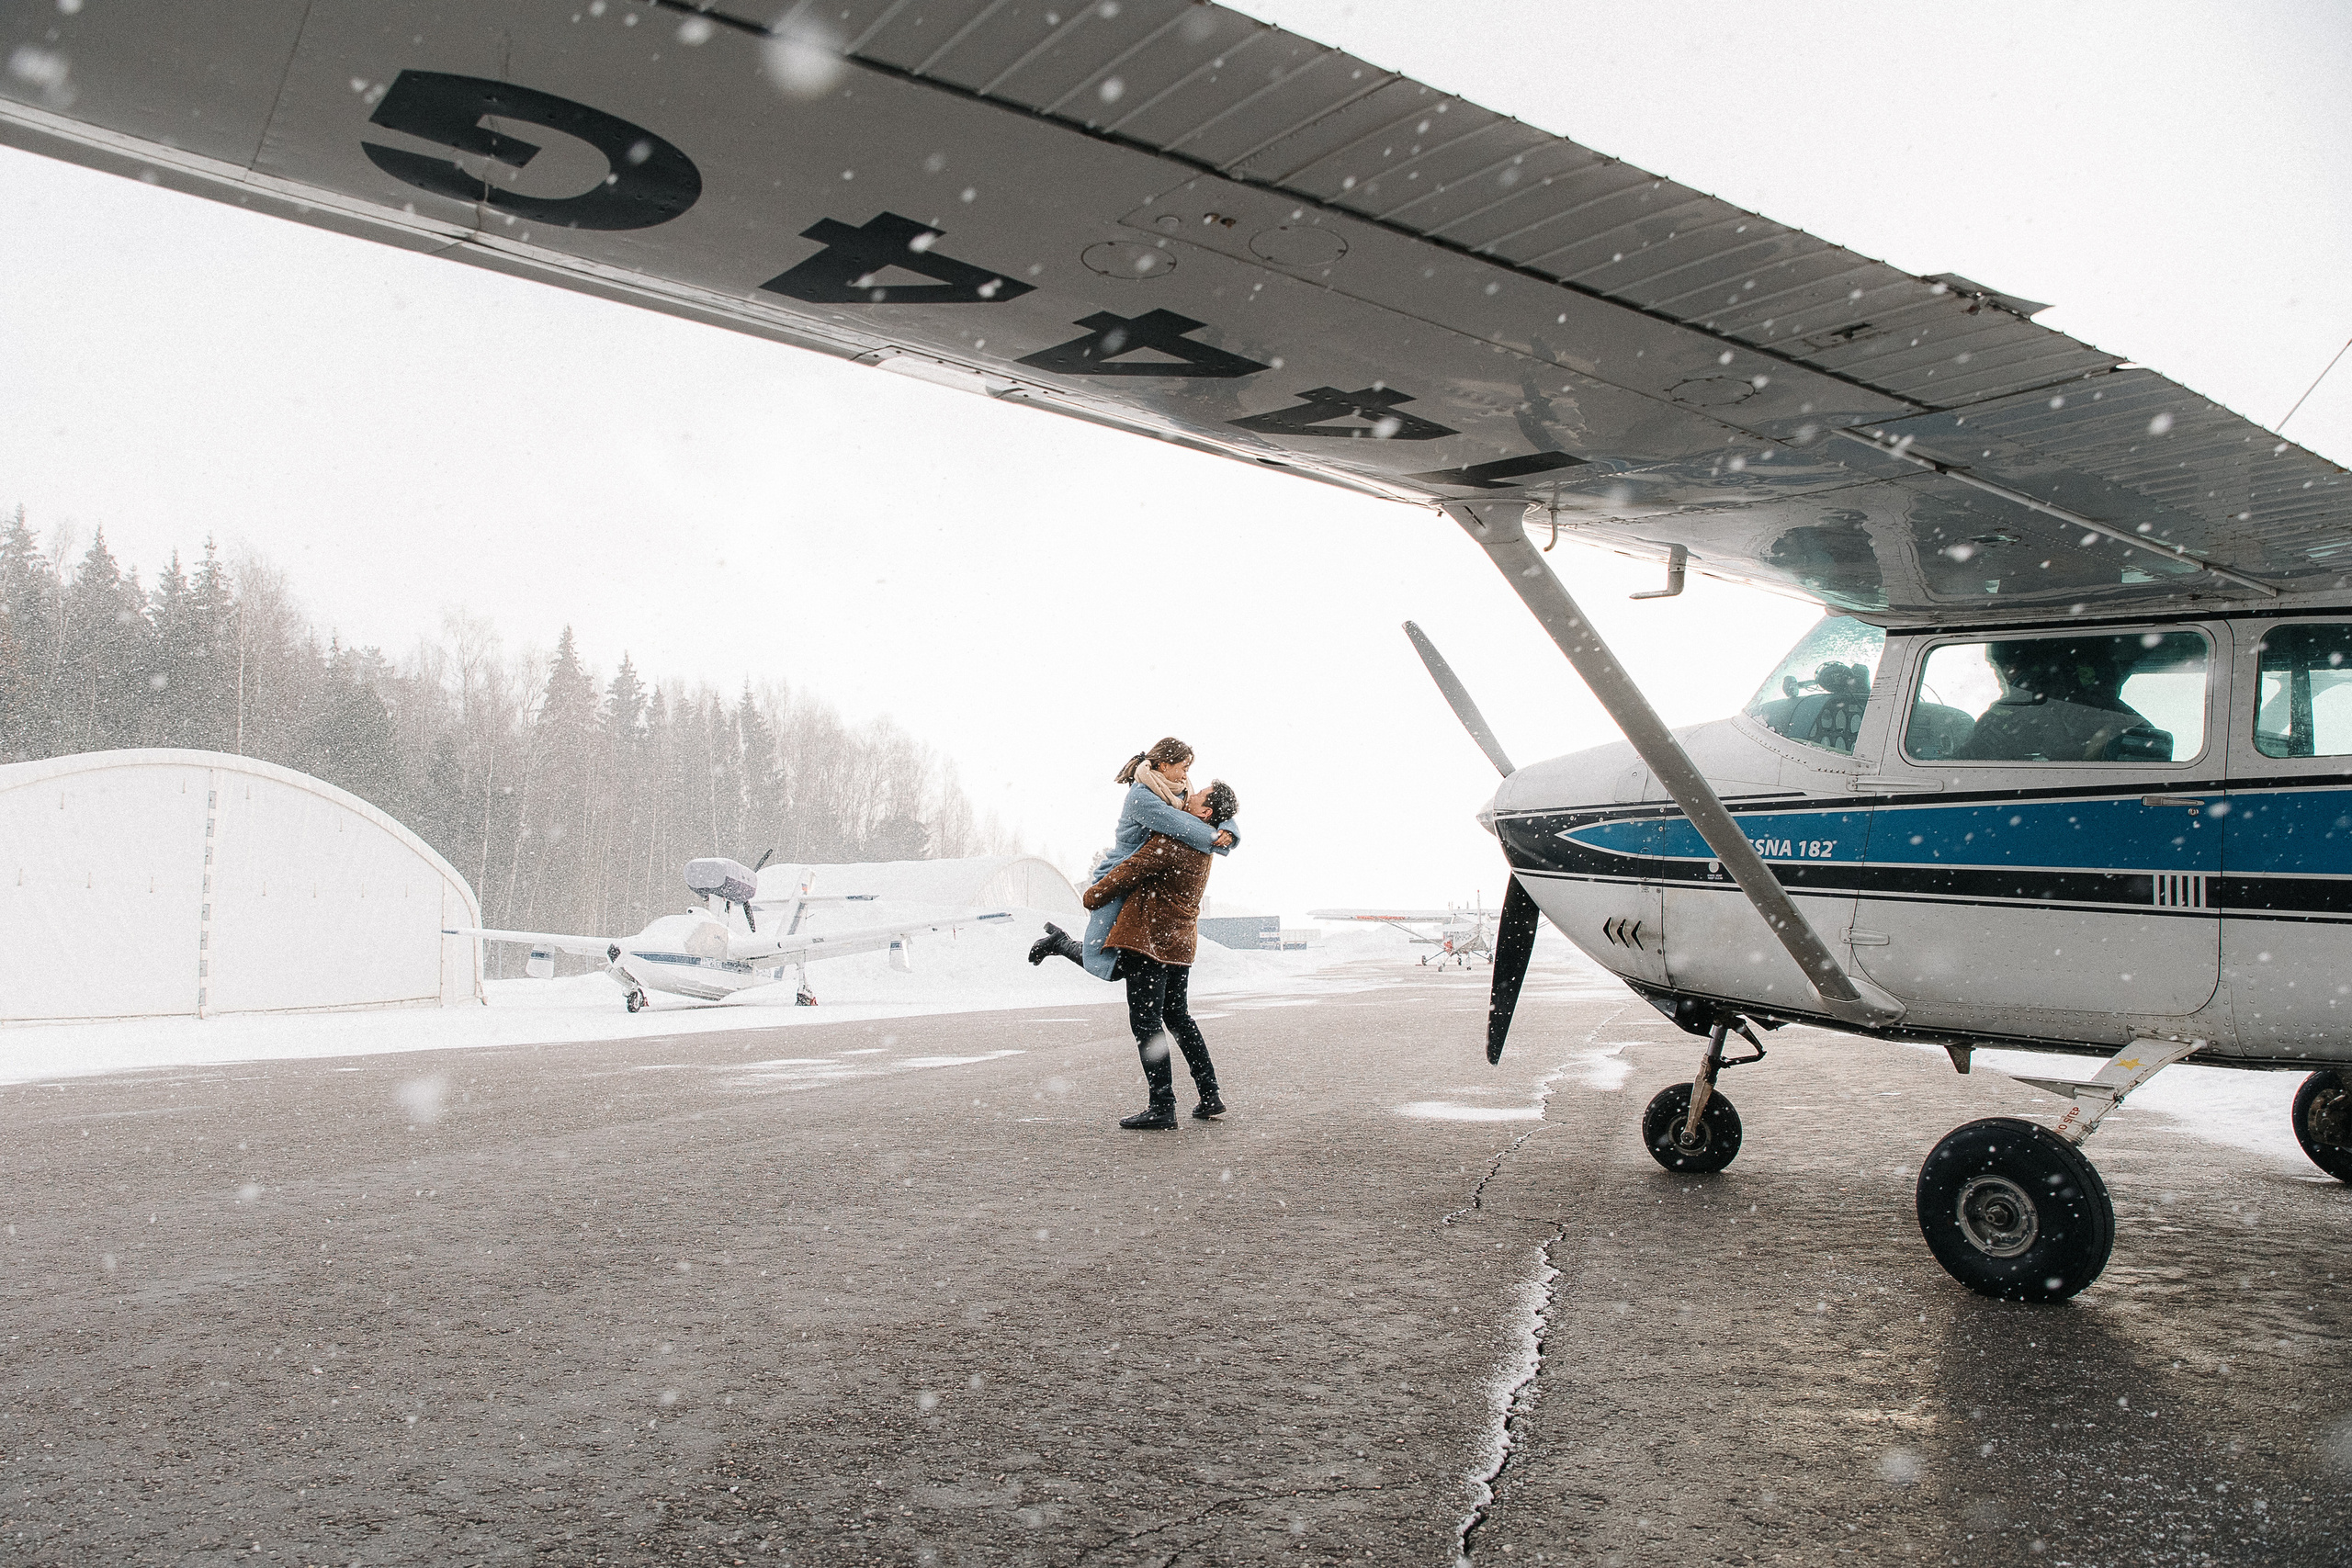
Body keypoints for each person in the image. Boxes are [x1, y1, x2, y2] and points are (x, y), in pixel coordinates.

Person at [1080, 781, 1238, 1130]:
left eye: (1199, 795)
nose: (1191, 793)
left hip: (1148, 942)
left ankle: (1162, 1105)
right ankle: (1210, 1094)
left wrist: (1092, 896)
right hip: (1179, 945)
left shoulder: (1174, 841)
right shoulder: (1206, 842)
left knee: (1147, 1025)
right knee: (1179, 1018)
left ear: (1205, 812)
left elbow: (1128, 871)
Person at [1029, 738, 1237, 976]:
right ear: (1163, 765)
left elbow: (1212, 808)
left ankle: (1061, 943)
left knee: (1127, 956)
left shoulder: (1179, 790)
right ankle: (1059, 943)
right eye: (1183, 768)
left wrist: (1229, 826)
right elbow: (1188, 827)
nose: (1186, 775)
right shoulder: (1143, 797)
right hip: (1119, 872)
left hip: (1142, 874)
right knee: (1101, 961)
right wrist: (1221, 838)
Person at [1953, 638, 2173, 762]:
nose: (2006, 677)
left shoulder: (2124, 726)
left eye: (2014, 669)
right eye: (2002, 669)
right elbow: (1966, 767)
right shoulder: (2003, 720)